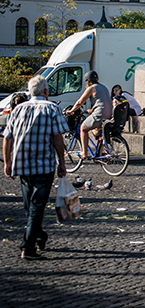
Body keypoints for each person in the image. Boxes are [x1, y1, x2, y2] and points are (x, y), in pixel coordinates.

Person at [2, 75, 69, 260]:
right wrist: (62, 163)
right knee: (36, 206)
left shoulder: (18, 109)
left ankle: (39, 236)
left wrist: (7, 162)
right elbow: (58, 138)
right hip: (43, 165)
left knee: (30, 206)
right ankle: (28, 247)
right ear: (46, 91)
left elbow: (7, 137)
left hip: (22, 164)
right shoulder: (52, 109)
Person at [66, 70, 111, 161]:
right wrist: (91, 110)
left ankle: (84, 152)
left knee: (83, 128)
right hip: (109, 114)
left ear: (87, 81)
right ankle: (103, 151)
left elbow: (80, 102)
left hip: (100, 115)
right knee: (97, 130)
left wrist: (71, 111)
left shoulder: (91, 88)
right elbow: (101, 102)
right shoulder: (104, 87)